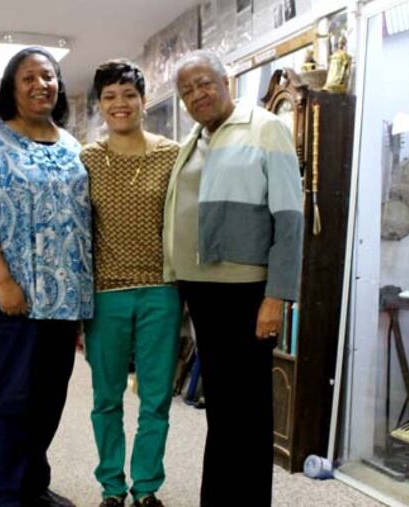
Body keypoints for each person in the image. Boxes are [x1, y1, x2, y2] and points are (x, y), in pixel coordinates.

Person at [0, 47, 93, 507]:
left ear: (59, 86)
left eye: (48, 76)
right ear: (11, 87)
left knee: (47, 401)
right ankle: (8, 496)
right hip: (4, 302)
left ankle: (32, 487)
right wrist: (4, 283)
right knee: (9, 402)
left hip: (62, 302)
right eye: (28, 77)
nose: (40, 84)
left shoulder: (72, 147)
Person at [164, 50, 303, 506]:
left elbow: (289, 219)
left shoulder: (266, 127)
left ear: (227, 81)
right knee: (222, 407)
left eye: (204, 83)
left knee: (247, 411)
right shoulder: (196, 140)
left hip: (246, 292)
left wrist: (276, 296)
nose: (196, 94)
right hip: (202, 290)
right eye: (187, 90)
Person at [79, 60, 181, 507]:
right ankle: (111, 487)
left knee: (156, 398)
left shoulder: (173, 155)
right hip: (106, 295)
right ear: (100, 105)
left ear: (142, 100)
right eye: (110, 96)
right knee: (107, 399)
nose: (120, 104)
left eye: (129, 95)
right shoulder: (87, 159)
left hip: (162, 291)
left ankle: (146, 487)